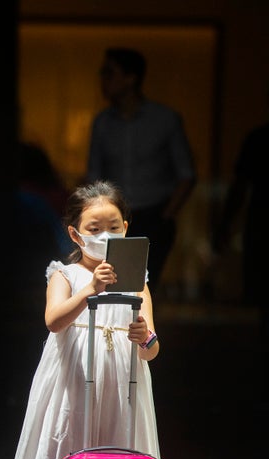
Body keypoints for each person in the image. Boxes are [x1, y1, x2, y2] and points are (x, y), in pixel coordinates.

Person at [11, 180, 161, 459]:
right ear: (75, 234)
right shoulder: (64, 275)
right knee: (69, 441)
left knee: (119, 450)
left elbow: (152, 350)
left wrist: (144, 337)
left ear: (126, 228)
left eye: (114, 227)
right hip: (74, 379)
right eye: (94, 229)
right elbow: (53, 320)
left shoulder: (137, 282)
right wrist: (90, 289)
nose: (105, 235)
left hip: (123, 385)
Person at [86, 47, 196, 291]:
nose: (103, 80)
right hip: (113, 217)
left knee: (147, 286)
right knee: (111, 285)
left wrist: (166, 215)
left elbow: (186, 174)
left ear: (130, 78)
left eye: (109, 73)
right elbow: (93, 175)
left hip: (154, 214)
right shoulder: (102, 123)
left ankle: (146, 330)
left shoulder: (165, 119)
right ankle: (117, 329)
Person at [212, 86, 269, 334]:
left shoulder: (259, 138)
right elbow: (240, 185)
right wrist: (225, 223)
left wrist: (225, 223)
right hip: (262, 218)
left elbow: (240, 186)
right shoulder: (258, 139)